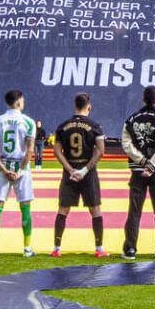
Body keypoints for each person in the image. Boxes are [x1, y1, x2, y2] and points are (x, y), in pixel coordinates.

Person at [121, 86, 155, 260]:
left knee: (134, 210)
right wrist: (152, 166)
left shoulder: (131, 120)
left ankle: (130, 249)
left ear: (143, 99)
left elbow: (126, 145)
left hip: (138, 171)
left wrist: (142, 162)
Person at [52, 93, 107, 257]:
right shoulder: (95, 126)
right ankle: (99, 249)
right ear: (89, 107)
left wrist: (70, 170)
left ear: (75, 105)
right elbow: (100, 151)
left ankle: (56, 248)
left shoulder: (62, 126)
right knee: (95, 209)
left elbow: (57, 151)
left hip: (69, 173)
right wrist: (84, 170)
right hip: (88, 173)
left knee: (63, 209)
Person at [0, 89, 40, 257]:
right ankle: (27, 249)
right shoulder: (28, 122)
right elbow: (30, 149)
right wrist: (21, 170)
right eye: (22, 100)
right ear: (18, 102)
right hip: (21, 166)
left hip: (3, 166)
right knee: (25, 207)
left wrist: (3, 169)